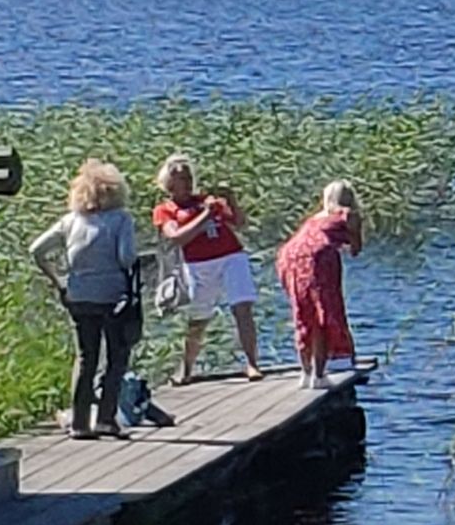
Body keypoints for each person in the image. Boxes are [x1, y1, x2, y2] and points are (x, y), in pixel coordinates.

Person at [29, 159, 138, 441]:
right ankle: (106, 419)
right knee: (117, 356)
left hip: (78, 295)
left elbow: (36, 251)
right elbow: (126, 258)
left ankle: (79, 422)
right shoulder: (121, 219)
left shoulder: (69, 221)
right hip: (113, 297)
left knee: (86, 357)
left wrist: (58, 280)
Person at [153, 154, 263, 384]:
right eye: (182, 178)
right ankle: (187, 368)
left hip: (231, 256)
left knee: (242, 306)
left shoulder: (207, 200)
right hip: (197, 265)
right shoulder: (166, 210)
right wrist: (205, 216)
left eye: (189, 177)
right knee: (199, 317)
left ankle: (252, 363)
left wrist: (230, 201)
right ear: (170, 184)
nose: (188, 182)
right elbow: (176, 237)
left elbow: (239, 222)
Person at [276, 180, 364, 390]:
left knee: (303, 313)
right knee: (324, 313)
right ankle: (320, 373)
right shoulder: (348, 214)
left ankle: (306, 373)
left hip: (289, 256)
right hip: (318, 257)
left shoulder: (315, 218)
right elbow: (355, 248)